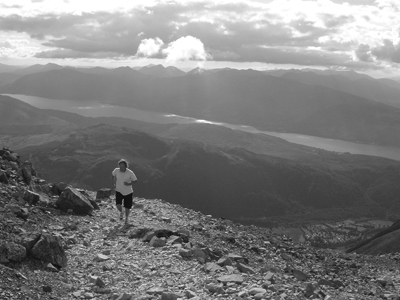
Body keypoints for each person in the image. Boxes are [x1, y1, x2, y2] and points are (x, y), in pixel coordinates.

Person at [111, 159, 138, 225]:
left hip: (128, 192)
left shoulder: (130, 172)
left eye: (122, 167)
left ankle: (126, 218)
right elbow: (113, 175)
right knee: (118, 205)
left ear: (126, 166)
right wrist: (114, 183)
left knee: (127, 207)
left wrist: (128, 184)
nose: (121, 168)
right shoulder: (116, 170)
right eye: (120, 166)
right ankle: (121, 212)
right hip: (118, 190)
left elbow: (136, 181)